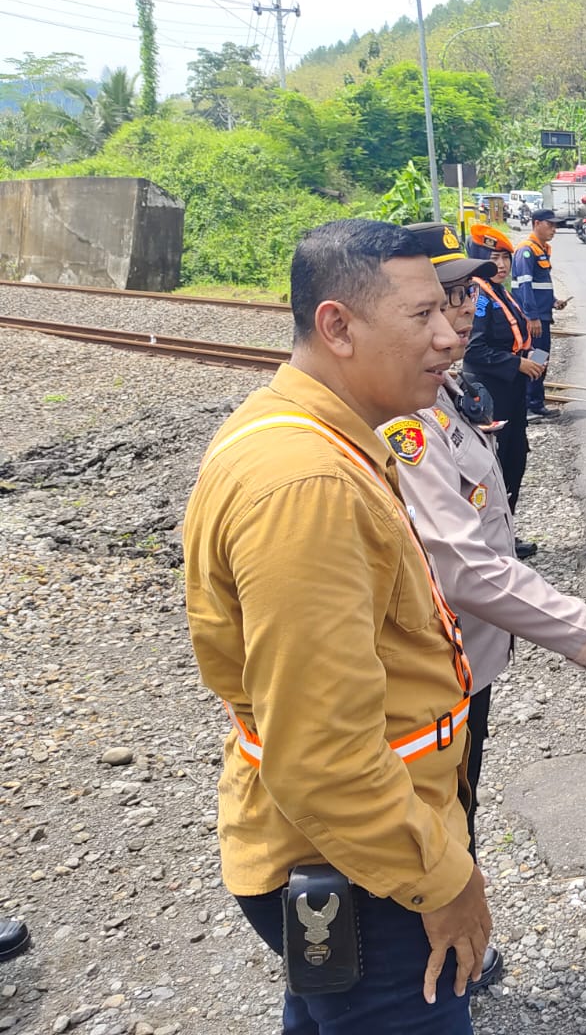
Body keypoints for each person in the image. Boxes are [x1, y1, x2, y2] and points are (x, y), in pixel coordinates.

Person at [185, 219, 489, 1032]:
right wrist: (445, 877)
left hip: (349, 853)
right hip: (360, 868)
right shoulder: (307, 485)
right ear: (337, 327)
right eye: (422, 316)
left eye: (448, 312)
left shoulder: (316, 436)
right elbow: (323, 755)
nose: (449, 336)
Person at [382, 221, 586, 988]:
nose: (458, 321)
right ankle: (433, 967)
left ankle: (441, 947)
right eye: (437, 306)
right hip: (434, 674)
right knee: (437, 828)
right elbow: (468, 568)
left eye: (463, 297)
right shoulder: (402, 419)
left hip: (465, 664)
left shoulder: (436, 390)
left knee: (457, 810)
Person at [465, 224, 541, 514]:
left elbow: (511, 336)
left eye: (505, 258)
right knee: (495, 462)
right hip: (491, 391)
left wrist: (528, 354)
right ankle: (493, 534)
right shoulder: (478, 295)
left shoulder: (500, 293)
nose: (500, 265)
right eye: (493, 258)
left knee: (515, 457)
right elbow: (474, 349)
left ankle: (507, 530)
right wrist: (517, 363)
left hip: (512, 390)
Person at [510, 210, 567, 419]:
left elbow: (539, 285)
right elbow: (524, 286)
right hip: (534, 320)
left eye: (555, 226)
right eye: (550, 225)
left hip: (542, 315)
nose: (554, 229)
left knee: (541, 358)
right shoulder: (526, 251)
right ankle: (530, 404)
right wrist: (532, 316)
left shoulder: (541, 250)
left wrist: (553, 302)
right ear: (536, 224)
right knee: (536, 358)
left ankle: (535, 401)